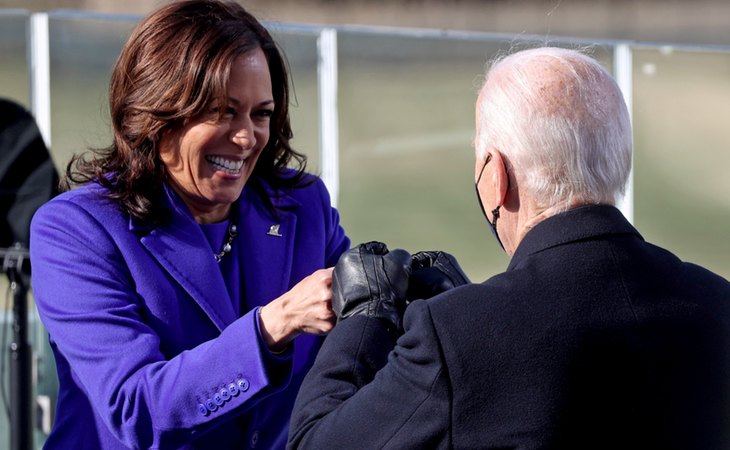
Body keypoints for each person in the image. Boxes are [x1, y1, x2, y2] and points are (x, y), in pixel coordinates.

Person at [287, 47, 730, 450]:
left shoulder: (457, 336)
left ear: (495, 176)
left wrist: (365, 320)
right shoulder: (718, 304)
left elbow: (314, 444)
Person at [29, 1, 349, 448]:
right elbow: (135, 408)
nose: (246, 137)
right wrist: (274, 325)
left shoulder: (302, 206)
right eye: (222, 111)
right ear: (155, 112)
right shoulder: (75, 230)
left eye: (261, 113)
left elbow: (356, 350)